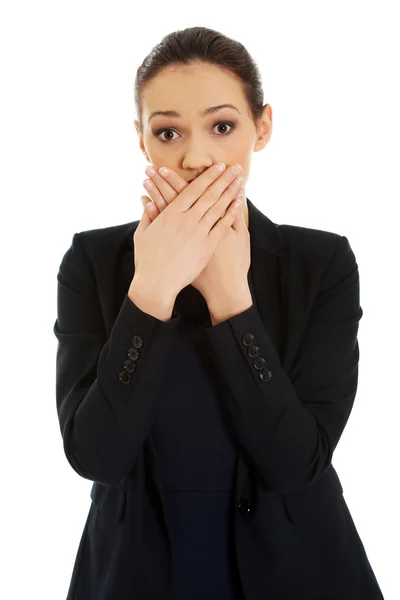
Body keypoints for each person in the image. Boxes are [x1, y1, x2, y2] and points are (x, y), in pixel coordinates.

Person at [53, 26, 385, 600]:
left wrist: (231, 298)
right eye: (168, 131)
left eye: (222, 126)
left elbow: (294, 464)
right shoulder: (94, 261)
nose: (195, 156)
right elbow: (95, 456)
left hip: (298, 572)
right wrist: (151, 290)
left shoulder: (321, 262)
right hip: (138, 575)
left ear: (263, 127)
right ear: (142, 140)